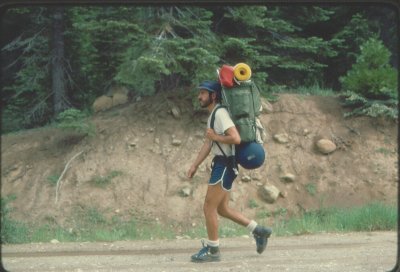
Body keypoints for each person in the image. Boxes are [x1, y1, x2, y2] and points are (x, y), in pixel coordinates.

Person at [187, 80, 272, 263]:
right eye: (200, 93)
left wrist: (215, 136)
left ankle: (213, 251)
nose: (199, 96)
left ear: (213, 95)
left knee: (208, 207)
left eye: (203, 93)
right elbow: (209, 143)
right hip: (221, 163)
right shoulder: (213, 115)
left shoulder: (220, 114)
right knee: (222, 209)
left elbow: (235, 137)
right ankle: (259, 231)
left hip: (224, 164)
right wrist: (194, 165)